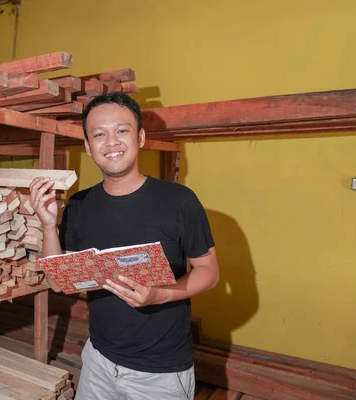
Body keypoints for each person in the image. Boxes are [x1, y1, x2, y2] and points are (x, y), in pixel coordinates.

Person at [29, 92, 219, 400]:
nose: (112, 142)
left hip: (161, 372)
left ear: (140, 137)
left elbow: (208, 271)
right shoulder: (79, 205)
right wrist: (49, 225)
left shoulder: (179, 201)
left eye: (122, 130)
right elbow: (58, 282)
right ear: (88, 147)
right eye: (99, 134)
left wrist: (160, 296)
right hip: (99, 363)